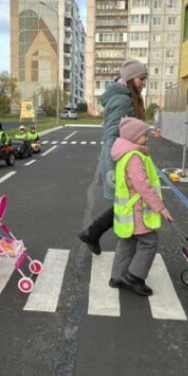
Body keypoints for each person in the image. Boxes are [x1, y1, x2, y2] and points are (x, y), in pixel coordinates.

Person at [78, 59, 147, 255]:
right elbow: (110, 137)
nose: (143, 83)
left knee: (126, 203)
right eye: (141, 78)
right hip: (121, 161)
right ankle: (125, 256)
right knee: (130, 204)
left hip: (127, 157)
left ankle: (93, 233)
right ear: (132, 78)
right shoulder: (123, 100)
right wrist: (110, 169)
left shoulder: (127, 97)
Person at [109, 117, 173, 296]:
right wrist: (160, 208)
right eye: (144, 135)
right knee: (149, 241)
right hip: (137, 209)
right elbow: (143, 185)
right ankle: (134, 277)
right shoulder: (135, 157)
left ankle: (118, 277)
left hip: (128, 210)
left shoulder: (125, 154)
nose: (147, 137)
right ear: (133, 136)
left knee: (127, 241)